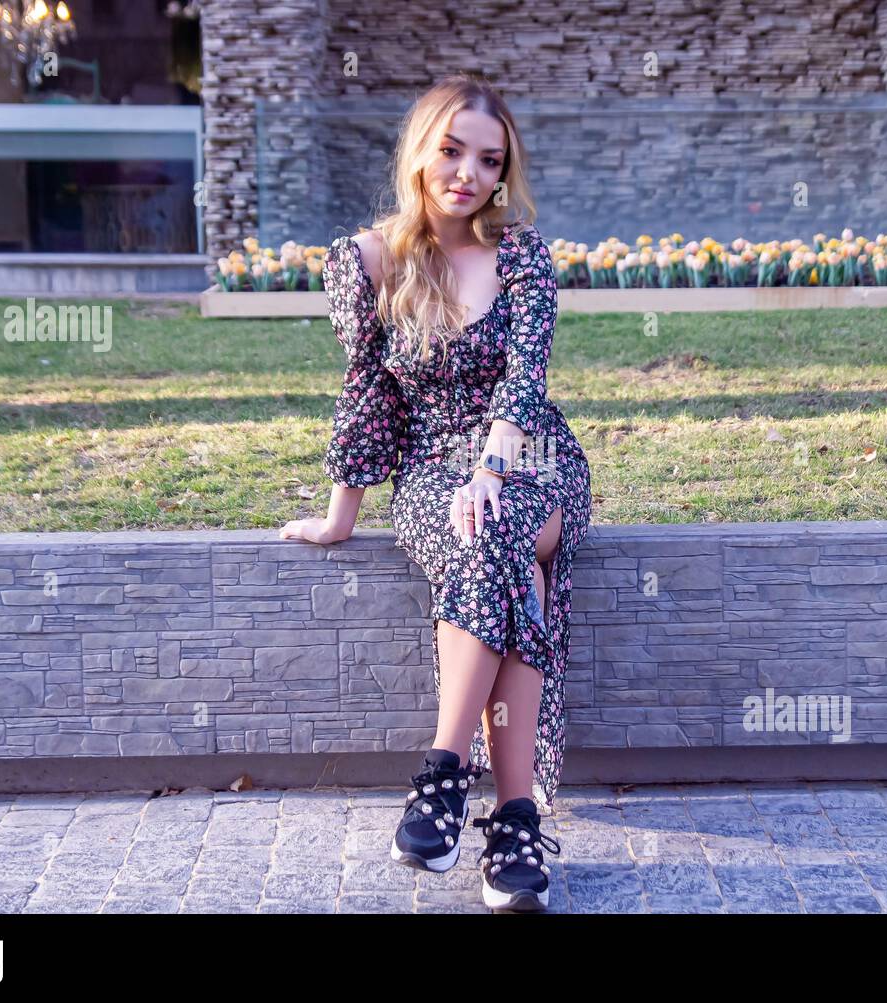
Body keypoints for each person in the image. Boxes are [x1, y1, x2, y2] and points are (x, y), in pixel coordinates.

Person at [280, 72, 592, 912]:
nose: (468, 173)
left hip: (530, 456)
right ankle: (517, 821)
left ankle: (443, 772)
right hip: (427, 471)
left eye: (489, 159)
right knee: (499, 560)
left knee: (496, 522)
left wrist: (491, 469)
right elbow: (369, 395)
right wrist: (342, 513)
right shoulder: (369, 261)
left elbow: (527, 378)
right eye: (451, 150)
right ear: (419, 149)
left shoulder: (522, 253)